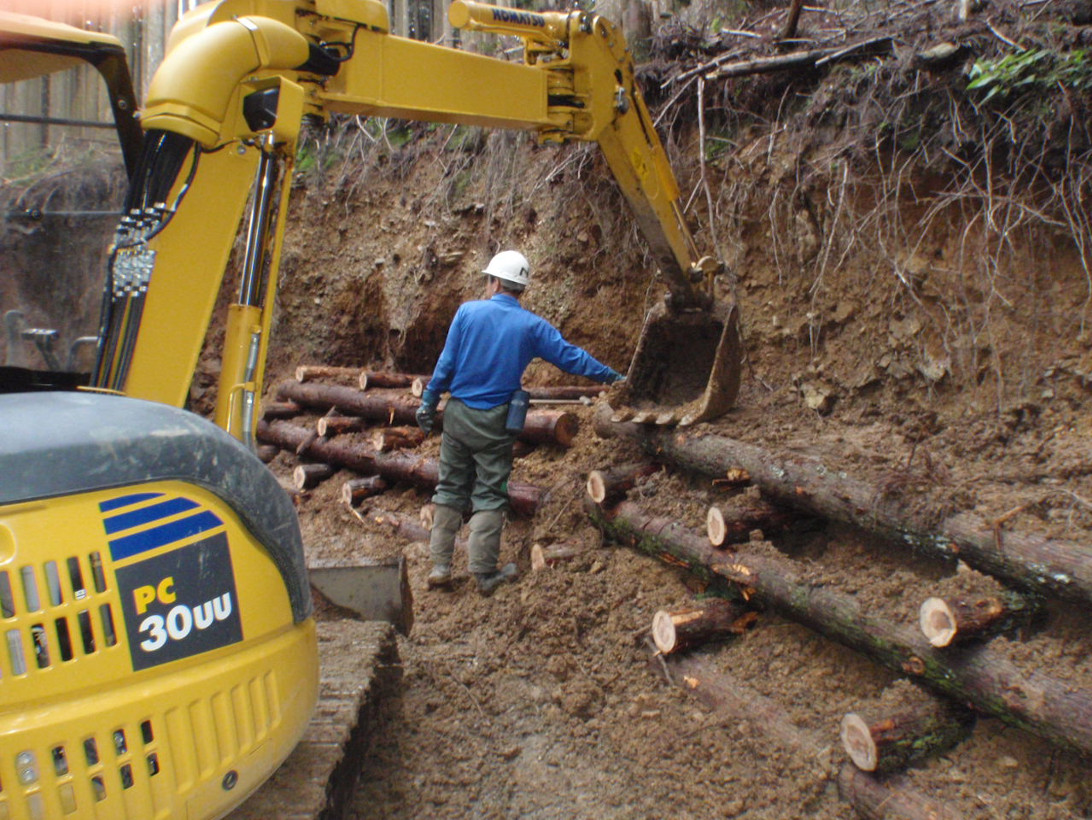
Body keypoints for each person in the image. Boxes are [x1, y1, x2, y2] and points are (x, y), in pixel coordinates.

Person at [416, 250, 625, 595]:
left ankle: (440, 567)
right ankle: (483, 574)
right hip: (496, 421)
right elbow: (572, 358)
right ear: (520, 288)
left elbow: (446, 363)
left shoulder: (467, 312)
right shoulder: (531, 326)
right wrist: (614, 377)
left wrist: (428, 401)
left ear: (495, 282)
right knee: (489, 493)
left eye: (488, 280)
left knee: (450, 488)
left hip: (458, 416)